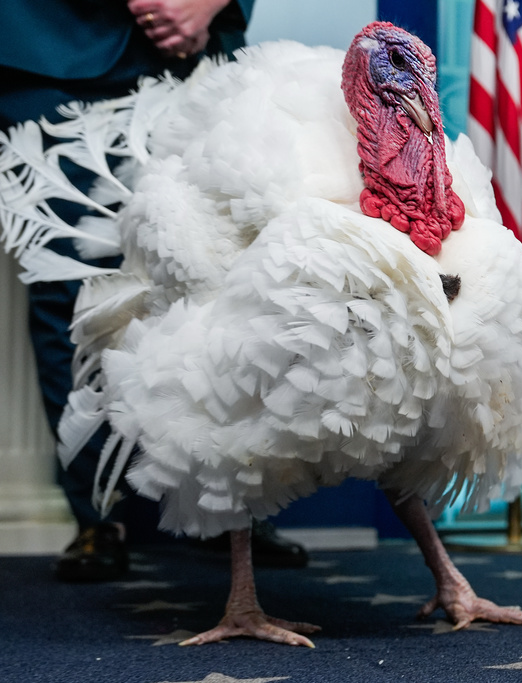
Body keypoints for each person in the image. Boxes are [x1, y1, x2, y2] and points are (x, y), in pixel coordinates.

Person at [0, 0, 306, 581]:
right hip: (48, 51)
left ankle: (227, 506)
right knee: (68, 286)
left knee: (219, 274)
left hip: (202, 56)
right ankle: (96, 513)